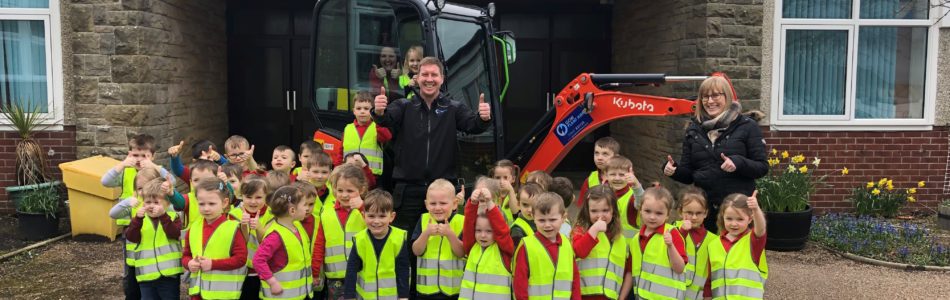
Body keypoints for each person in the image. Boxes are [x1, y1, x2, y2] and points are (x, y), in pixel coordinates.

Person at [373, 56, 492, 230]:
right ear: (417, 78)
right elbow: (385, 119)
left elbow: (473, 125)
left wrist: (483, 118)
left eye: (434, 75)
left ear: (442, 79)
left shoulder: (453, 108)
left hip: (442, 191)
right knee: (407, 246)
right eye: (425, 74)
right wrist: (379, 110)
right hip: (408, 191)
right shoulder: (403, 106)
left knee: (443, 242)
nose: (429, 79)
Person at [663, 76, 768, 233]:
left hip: (737, 209)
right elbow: (689, 174)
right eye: (705, 97)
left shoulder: (747, 126)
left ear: (727, 96)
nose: (710, 101)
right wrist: (674, 170)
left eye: (715, 95)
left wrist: (737, 162)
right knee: (707, 255)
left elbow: (761, 167)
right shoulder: (693, 130)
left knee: (737, 255)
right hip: (705, 210)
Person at [182, 178, 248, 300]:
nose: (206, 208)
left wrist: (213, 264)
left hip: (223, 295)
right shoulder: (194, 228)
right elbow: (186, 255)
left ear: (224, 203)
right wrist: (189, 263)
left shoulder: (233, 227)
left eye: (211, 204)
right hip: (198, 293)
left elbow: (241, 259)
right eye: (202, 204)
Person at [343, 189, 411, 300]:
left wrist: (404, 296)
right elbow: (351, 271)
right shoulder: (359, 239)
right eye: (371, 216)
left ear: (392, 217)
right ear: (363, 215)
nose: (376, 221)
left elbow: (403, 270)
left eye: (382, 216)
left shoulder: (398, 238)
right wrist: (349, 296)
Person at [313, 165, 368, 300]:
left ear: (361, 190)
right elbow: (319, 244)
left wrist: (362, 207)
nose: (344, 195)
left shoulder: (368, 209)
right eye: (340, 190)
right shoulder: (326, 213)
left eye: (350, 190)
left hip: (362, 273)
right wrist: (315, 271)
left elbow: (380, 229)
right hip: (336, 276)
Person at [512, 192, 581, 300]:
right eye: (541, 220)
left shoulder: (567, 243)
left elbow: (575, 279)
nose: (547, 225)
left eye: (552, 220)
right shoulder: (527, 246)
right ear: (533, 218)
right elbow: (519, 285)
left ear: (563, 217)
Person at [253, 186, 316, 299]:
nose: (307, 209)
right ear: (292, 210)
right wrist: (272, 282)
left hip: (300, 295)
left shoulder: (297, 226)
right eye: (304, 205)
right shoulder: (275, 236)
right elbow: (258, 260)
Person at [126, 177, 183, 300]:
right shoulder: (139, 219)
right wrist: (137, 220)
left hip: (169, 275)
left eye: (156, 202)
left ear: (167, 204)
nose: (151, 206)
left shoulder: (173, 217)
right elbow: (131, 237)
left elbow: (174, 233)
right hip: (146, 275)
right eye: (147, 202)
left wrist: (163, 216)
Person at [571, 185, 630, 300]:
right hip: (584, 295)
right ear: (587, 211)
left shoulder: (620, 239)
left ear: (613, 211)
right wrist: (594, 230)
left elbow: (624, 270)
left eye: (605, 210)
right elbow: (580, 251)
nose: (600, 215)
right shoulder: (580, 230)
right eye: (594, 211)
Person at [629, 187, 688, 299]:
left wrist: (670, 246)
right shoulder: (635, 239)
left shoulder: (672, 233)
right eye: (647, 211)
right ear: (640, 210)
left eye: (659, 213)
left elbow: (680, 268)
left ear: (668, 214)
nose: (652, 217)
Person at [459, 181, 514, 300]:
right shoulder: (472, 246)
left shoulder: (504, 249)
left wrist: (489, 203)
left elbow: (502, 230)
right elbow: (468, 225)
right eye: (478, 230)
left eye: (489, 231)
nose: (482, 235)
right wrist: (473, 203)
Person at [708, 192, 767, 299]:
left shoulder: (753, 241)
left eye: (740, 219)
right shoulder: (713, 245)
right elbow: (709, 277)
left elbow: (761, 229)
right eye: (729, 218)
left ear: (750, 219)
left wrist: (756, 209)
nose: (734, 224)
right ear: (723, 217)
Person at [412, 179, 465, 299]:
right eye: (433, 203)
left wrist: (450, 234)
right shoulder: (423, 220)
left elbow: (461, 253)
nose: (437, 207)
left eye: (443, 203)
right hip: (425, 292)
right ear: (426, 204)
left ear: (455, 204)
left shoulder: (461, 222)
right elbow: (416, 251)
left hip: (452, 292)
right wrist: (426, 234)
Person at [228, 177, 271, 300]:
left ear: (266, 197)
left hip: (266, 270)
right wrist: (243, 227)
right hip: (242, 270)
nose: (253, 202)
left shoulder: (272, 214)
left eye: (258, 197)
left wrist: (259, 228)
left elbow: (270, 243)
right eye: (248, 197)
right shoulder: (234, 215)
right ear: (241, 196)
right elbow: (236, 245)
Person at [674, 186, 717, 299]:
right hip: (672, 293)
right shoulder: (672, 229)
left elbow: (712, 272)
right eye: (689, 212)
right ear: (680, 211)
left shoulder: (713, 240)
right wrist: (683, 231)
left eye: (698, 213)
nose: (693, 217)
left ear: (706, 213)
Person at [343, 91, 392, 176]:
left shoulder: (376, 127)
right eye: (358, 108)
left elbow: (386, 137)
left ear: (372, 110)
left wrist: (379, 118)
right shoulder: (348, 128)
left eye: (366, 109)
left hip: (372, 175)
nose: (362, 111)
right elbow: (341, 151)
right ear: (354, 111)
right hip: (349, 173)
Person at [603, 156, 645, 240]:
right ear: (606, 175)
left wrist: (636, 185)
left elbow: (642, 203)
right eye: (613, 174)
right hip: (606, 244)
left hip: (628, 247)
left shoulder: (633, 195)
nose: (617, 178)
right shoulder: (602, 193)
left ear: (631, 174)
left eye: (622, 175)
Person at [579, 137, 619, 205]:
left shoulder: (624, 179)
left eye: (605, 154)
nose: (599, 158)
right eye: (596, 153)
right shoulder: (590, 180)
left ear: (616, 157)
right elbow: (582, 206)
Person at [510, 182, 543, 247]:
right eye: (525, 205)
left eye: (534, 205)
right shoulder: (517, 229)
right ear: (518, 204)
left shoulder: (544, 223)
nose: (530, 209)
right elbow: (518, 254)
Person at [489, 159, 520, 225]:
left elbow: (515, 212)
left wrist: (511, 190)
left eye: (505, 177)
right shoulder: (489, 195)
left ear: (513, 179)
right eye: (497, 178)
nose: (501, 181)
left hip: (512, 234)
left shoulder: (518, 196)